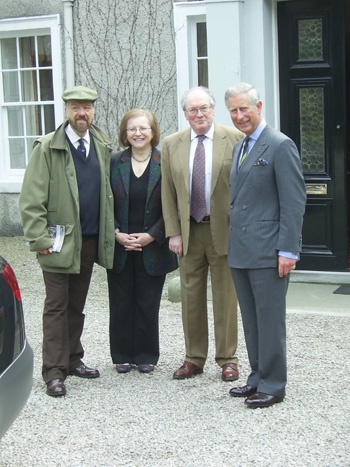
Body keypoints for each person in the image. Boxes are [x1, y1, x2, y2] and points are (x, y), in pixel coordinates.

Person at [19, 85, 115, 397]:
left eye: (86, 107)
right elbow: (31, 200)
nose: (82, 113)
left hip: (88, 240)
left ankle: (73, 359)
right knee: (56, 306)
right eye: (76, 107)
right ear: (66, 110)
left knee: (76, 304)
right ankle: (54, 372)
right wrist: (38, 237)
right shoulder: (47, 148)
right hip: (57, 243)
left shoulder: (101, 145)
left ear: (93, 110)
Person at [224, 82, 306, 408]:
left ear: (259, 108)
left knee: (270, 320)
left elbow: (294, 202)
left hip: (269, 251)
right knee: (251, 319)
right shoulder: (240, 147)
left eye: (245, 108)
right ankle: (257, 376)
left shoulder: (280, 145)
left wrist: (288, 250)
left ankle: (273, 384)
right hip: (242, 249)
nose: (240, 115)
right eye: (234, 110)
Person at [161, 86, 243, 381]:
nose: (199, 114)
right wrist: (173, 232)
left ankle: (228, 359)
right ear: (185, 114)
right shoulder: (172, 144)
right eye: (192, 110)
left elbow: (244, 188)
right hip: (189, 231)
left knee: (225, 296)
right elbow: (167, 193)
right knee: (190, 297)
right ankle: (194, 358)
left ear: (213, 109)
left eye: (204, 108)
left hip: (224, 230)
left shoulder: (233, 139)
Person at [107, 109, 178, 374]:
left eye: (143, 128)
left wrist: (152, 235)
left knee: (148, 303)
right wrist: (115, 232)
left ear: (153, 132)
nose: (137, 133)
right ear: (125, 133)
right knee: (121, 301)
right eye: (132, 129)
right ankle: (122, 355)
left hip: (154, 246)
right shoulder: (114, 162)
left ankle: (146, 354)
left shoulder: (166, 162)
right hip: (120, 245)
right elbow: (105, 202)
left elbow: (174, 205)